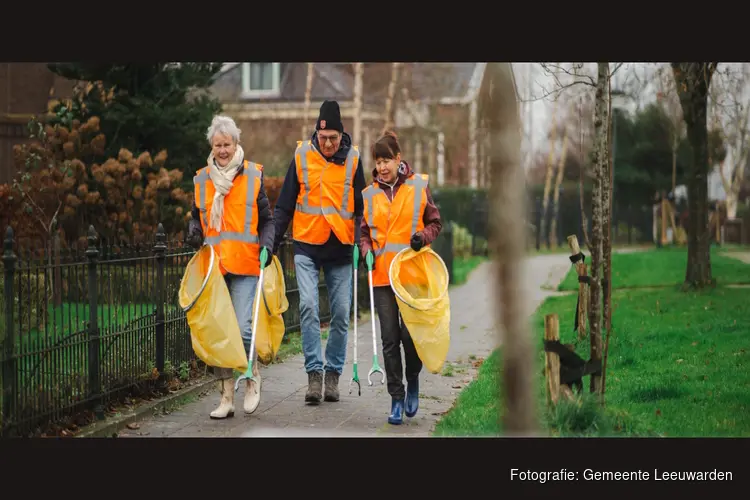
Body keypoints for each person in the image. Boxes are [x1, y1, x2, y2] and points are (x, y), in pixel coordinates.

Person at [272, 100, 366, 404]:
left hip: (340, 247)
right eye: (323, 138)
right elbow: (285, 204)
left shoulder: (353, 160)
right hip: (307, 244)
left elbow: (364, 210)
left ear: (342, 135)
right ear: (316, 133)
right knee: (309, 307)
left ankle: (333, 374)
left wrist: (363, 244)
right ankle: (314, 374)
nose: (328, 144)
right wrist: (270, 243)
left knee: (340, 313)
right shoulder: (301, 156)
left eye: (334, 138)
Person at [187, 115, 275, 419]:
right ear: (212, 145)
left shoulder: (252, 176)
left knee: (241, 328)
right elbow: (194, 216)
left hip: (247, 264)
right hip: (215, 268)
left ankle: (251, 376)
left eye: (227, 144)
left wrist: (268, 244)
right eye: (218, 145)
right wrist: (194, 232)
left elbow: (267, 220)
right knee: (218, 333)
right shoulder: (202, 179)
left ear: (236, 144)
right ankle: (226, 397)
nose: (222, 150)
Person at [359, 131, 442, 425]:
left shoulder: (419, 187)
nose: (382, 167)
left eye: (386, 161)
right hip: (382, 276)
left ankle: (413, 379)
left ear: (398, 159)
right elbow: (364, 233)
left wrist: (423, 237)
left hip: (412, 275)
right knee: (390, 339)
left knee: (410, 336)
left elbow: (435, 222)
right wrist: (366, 249)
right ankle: (396, 396)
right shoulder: (369, 194)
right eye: (378, 162)